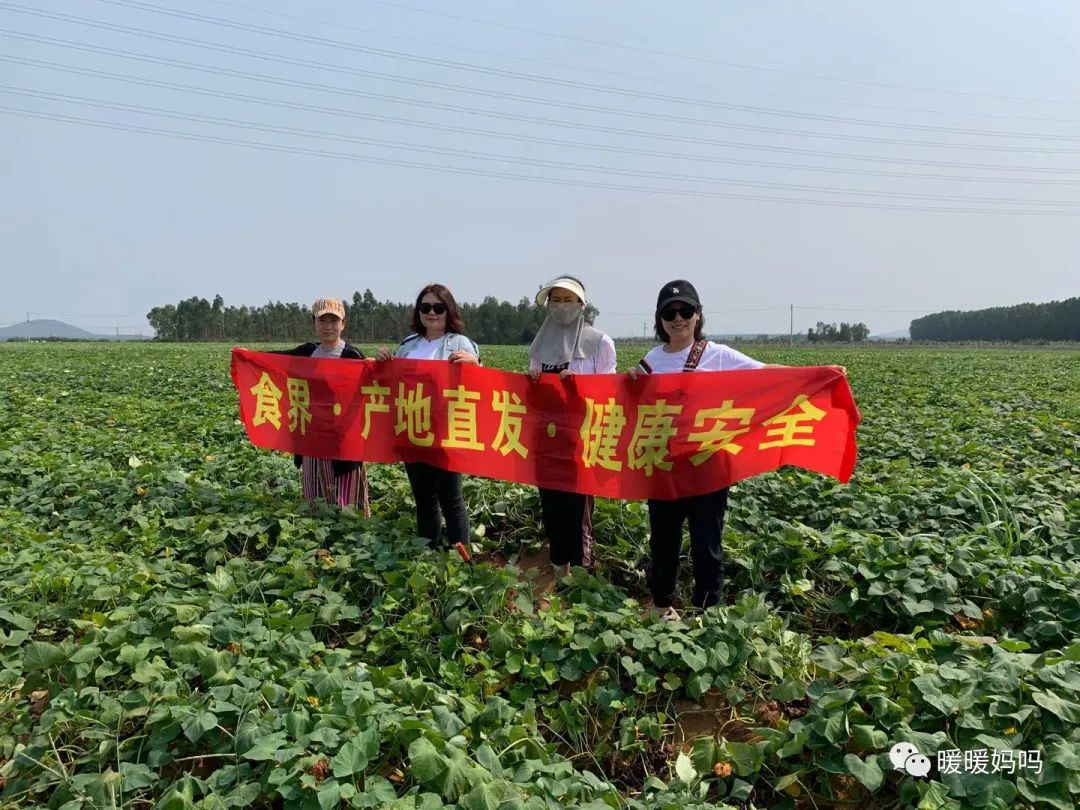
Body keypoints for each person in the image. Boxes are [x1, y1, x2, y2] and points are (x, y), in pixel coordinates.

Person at [628, 280, 786, 621]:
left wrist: (816, 375)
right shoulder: (652, 361)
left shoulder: (718, 355)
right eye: (670, 313)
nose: (678, 318)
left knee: (707, 544)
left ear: (698, 315)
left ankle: (705, 613)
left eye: (686, 310)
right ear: (660, 319)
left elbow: (764, 375)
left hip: (708, 467)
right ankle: (661, 606)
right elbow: (625, 398)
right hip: (665, 468)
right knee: (663, 542)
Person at [374, 284, 480, 548]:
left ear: (448, 310)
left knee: (451, 500)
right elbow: (391, 384)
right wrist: (385, 363)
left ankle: (461, 562)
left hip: (445, 433)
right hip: (413, 429)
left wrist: (476, 365)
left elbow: (482, 385)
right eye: (425, 307)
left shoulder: (460, 343)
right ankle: (428, 555)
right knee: (423, 498)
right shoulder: (409, 345)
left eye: (438, 307)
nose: (431, 312)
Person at [526, 276, 616, 578]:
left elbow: (609, 393)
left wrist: (581, 388)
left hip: (581, 442)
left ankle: (580, 570)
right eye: (556, 300)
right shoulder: (539, 346)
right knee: (550, 504)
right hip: (546, 442)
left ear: (581, 305)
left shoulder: (599, 343)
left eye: (568, 300)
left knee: (578, 509)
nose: (561, 307)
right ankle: (558, 564)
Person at [273, 297, 370, 514]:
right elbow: (275, 361)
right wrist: (247, 356)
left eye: (334, 321)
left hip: (343, 440)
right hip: (312, 437)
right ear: (314, 324)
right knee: (314, 498)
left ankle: (347, 539)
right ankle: (320, 540)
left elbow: (373, 389)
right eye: (322, 320)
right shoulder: (306, 352)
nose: (328, 326)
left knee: (347, 500)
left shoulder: (353, 356)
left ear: (343, 324)